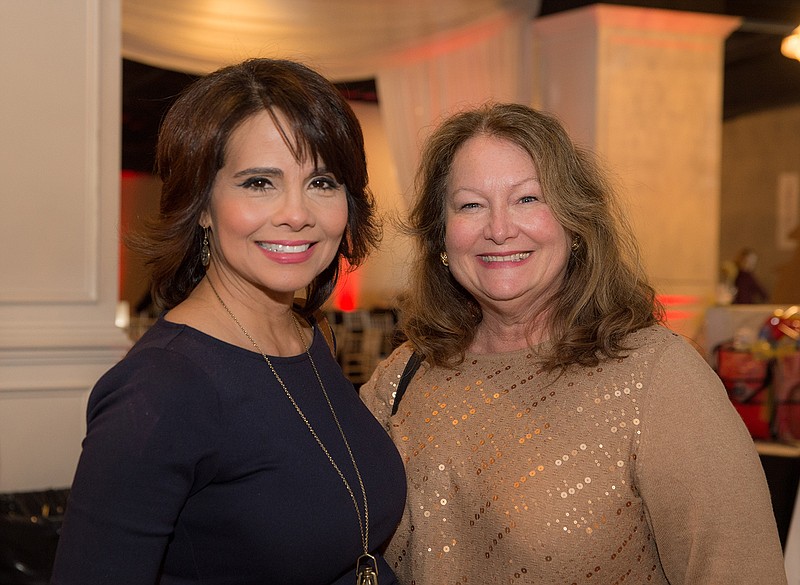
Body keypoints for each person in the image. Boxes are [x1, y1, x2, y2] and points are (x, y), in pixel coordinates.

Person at [360, 103, 787, 584]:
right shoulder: (401, 378)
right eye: (470, 205)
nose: (499, 229)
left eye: (528, 199)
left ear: (575, 223)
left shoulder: (657, 379)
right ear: (441, 236)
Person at [51, 58, 406, 585]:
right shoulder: (159, 389)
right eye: (260, 182)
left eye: (323, 182)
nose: (296, 213)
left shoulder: (307, 336)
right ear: (202, 206)